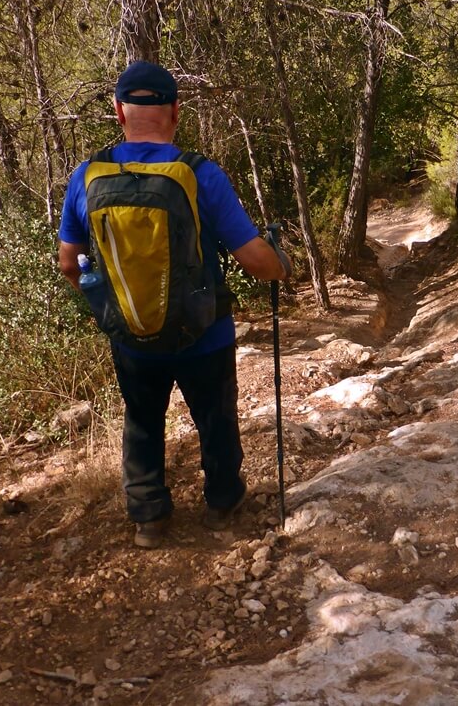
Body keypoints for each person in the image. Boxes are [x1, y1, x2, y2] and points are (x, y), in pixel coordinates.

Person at [57, 61, 290, 549]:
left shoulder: (86, 177)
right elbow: (256, 261)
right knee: (215, 418)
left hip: (132, 337)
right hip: (204, 332)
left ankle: (148, 519)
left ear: (119, 111)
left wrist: (113, 304)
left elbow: (67, 264)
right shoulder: (200, 174)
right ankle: (223, 506)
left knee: (142, 420)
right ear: (176, 111)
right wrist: (280, 265)